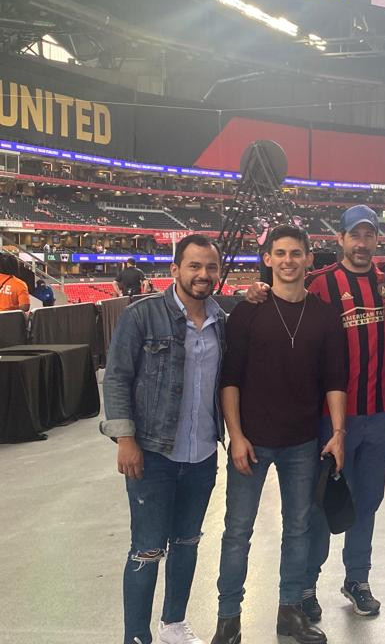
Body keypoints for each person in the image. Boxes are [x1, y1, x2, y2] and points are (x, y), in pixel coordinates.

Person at [247, 206, 385, 619]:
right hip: (328, 419)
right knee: (321, 503)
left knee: (367, 502)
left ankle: (357, 578)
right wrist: (254, 292)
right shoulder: (319, 284)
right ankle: (306, 583)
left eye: (369, 236)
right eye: (354, 236)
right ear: (339, 239)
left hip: (378, 414)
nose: (362, 244)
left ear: (377, 240)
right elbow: (279, 297)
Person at [211, 226, 347, 644]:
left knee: (298, 528)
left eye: (296, 253)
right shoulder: (247, 312)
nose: (288, 260)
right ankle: (228, 618)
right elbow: (229, 380)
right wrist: (236, 435)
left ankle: (289, 612)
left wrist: (338, 432)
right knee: (237, 530)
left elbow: (335, 381)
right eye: (280, 253)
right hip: (252, 441)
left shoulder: (325, 315)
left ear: (309, 260)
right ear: (267, 259)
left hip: (302, 442)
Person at [101, 235, 226, 644]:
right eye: (194, 266)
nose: (202, 275)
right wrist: (125, 437)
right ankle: (136, 635)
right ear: (175, 270)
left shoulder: (221, 321)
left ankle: (173, 624)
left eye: (210, 267)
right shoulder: (142, 316)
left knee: (187, 542)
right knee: (147, 548)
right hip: (152, 452)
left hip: (203, 452)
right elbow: (118, 376)